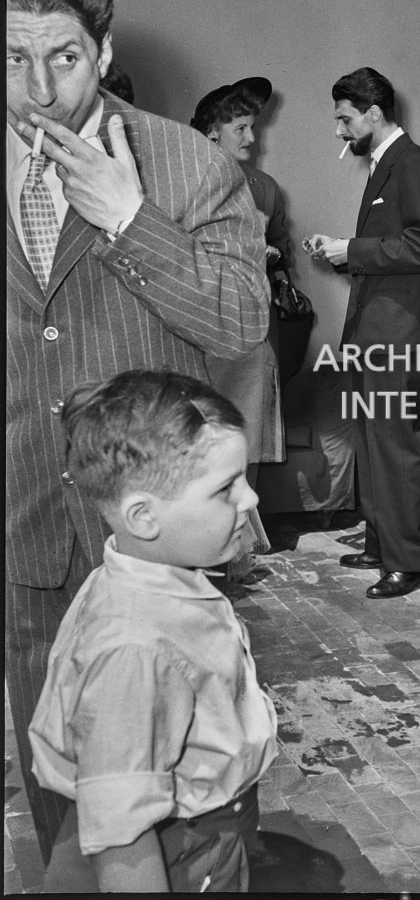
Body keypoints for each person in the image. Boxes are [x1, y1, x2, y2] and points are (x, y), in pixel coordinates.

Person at [6, 0, 268, 860]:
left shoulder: (187, 163)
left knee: (179, 798)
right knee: (60, 781)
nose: (40, 90)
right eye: (12, 58)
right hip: (24, 522)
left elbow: (240, 321)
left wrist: (128, 217)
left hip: (153, 543)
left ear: (105, 49)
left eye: (65, 58)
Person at [30, 370, 278, 892]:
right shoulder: (134, 649)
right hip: (174, 855)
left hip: (203, 835)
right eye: (226, 488)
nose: (251, 499)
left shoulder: (153, 577)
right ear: (143, 516)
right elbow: (122, 835)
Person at [307, 66, 420, 598]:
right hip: (378, 329)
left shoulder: (413, 163)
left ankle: (408, 561)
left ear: (373, 113)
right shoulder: (385, 164)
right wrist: (342, 252)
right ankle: (381, 542)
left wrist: (353, 249)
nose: (339, 131)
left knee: (394, 443)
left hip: (401, 331)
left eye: (345, 119)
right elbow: (393, 248)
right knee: (372, 439)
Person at [190, 76, 293, 573]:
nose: (253, 138)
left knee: (244, 435)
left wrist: (273, 256)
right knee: (204, 436)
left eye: (254, 127)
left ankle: (240, 543)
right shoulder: (188, 177)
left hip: (251, 327)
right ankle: (205, 543)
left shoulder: (265, 188)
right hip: (204, 325)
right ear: (212, 132)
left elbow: (281, 252)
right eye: (241, 128)